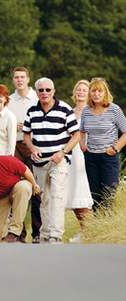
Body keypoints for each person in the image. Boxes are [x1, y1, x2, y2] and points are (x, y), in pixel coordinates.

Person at [23, 77, 80, 244]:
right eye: (41, 90)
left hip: (59, 160)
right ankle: (45, 232)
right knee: (43, 198)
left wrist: (63, 152)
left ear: (53, 91)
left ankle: (56, 233)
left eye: (48, 90)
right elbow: (26, 134)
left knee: (56, 195)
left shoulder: (64, 109)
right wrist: (32, 148)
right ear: (37, 92)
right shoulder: (32, 110)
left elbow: (76, 135)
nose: (44, 93)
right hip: (39, 161)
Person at [80, 78, 126, 210]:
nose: (96, 94)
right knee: (94, 195)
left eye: (100, 91)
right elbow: (82, 131)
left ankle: (108, 224)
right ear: (90, 94)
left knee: (108, 194)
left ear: (105, 93)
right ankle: (97, 226)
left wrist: (115, 148)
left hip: (109, 158)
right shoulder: (86, 111)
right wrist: (82, 145)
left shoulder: (114, 110)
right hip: (91, 158)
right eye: (93, 91)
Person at [8, 66, 41, 243]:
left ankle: (37, 232)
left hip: (33, 145)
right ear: (13, 80)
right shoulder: (9, 100)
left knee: (36, 188)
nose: (19, 80)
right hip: (14, 147)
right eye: (16, 77)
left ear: (28, 79)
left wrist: (27, 126)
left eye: (22, 77)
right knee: (16, 188)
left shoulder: (36, 97)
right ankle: (17, 233)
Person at [66, 80, 93, 243]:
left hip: (86, 153)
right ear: (74, 93)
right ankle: (84, 231)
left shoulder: (92, 111)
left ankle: (90, 230)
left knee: (84, 191)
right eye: (79, 90)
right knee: (74, 192)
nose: (81, 92)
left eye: (84, 90)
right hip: (71, 155)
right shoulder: (68, 111)